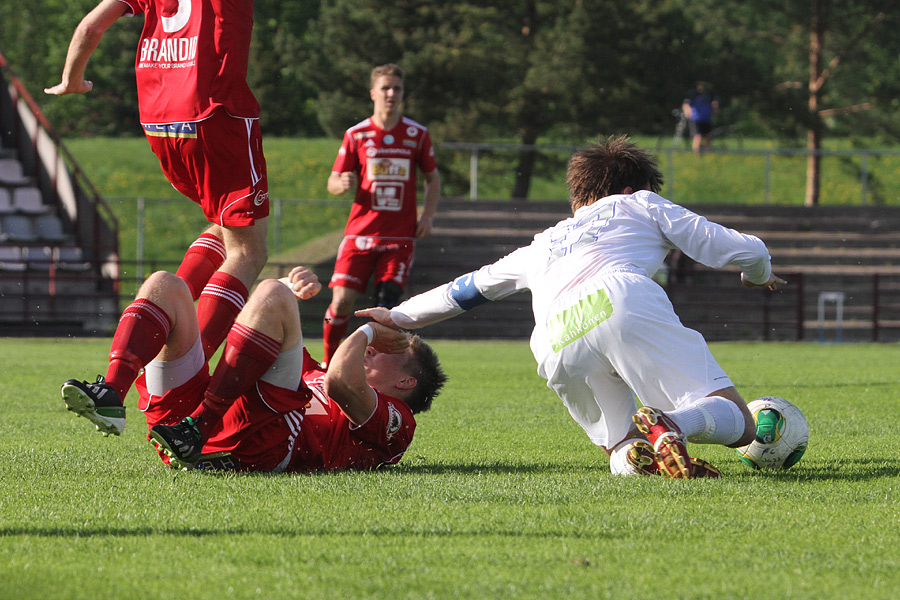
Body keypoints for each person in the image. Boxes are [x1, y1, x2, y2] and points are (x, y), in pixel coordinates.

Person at [358, 135, 786, 479]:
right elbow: (740, 248)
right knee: (741, 423)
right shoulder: (638, 202)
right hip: (619, 296)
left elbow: (467, 289)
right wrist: (760, 273)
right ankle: (673, 425)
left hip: (552, 337)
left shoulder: (541, 243)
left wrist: (396, 316)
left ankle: (641, 457)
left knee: (620, 444)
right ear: (628, 188)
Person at [45, 0, 270, 359]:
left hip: (158, 121)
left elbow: (91, 27)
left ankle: (152, 329)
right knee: (249, 250)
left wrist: (72, 79)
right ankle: (189, 367)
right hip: (215, 113)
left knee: (224, 228)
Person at [60, 265, 446, 472]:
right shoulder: (317, 372)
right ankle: (112, 391)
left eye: (384, 351)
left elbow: (341, 381)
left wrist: (368, 329)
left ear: (406, 380)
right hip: (182, 430)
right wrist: (288, 286)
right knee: (166, 285)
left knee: (272, 295)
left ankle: (199, 427)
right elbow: (256, 326)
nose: (371, 351)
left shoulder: (399, 419)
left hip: (257, 446)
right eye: (376, 346)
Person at [322, 63, 441, 368]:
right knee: (341, 302)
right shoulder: (357, 134)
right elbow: (334, 180)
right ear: (373, 92)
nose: (391, 93)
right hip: (359, 234)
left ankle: (376, 371)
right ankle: (328, 366)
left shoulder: (417, 134)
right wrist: (342, 184)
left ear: (402, 94)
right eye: (385, 88)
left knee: (387, 306)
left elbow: (432, 179)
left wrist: (426, 215)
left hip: (398, 237)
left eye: (396, 88)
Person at [682, 82, 719, 154]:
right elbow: (686, 105)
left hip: (706, 118)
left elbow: (714, 104)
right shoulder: (693, 94)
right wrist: (688, 112)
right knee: (697, 137)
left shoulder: (709, 95)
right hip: (696, 119)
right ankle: (697, 155)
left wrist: (714, 108)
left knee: (708, 136)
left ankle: (708, 153)